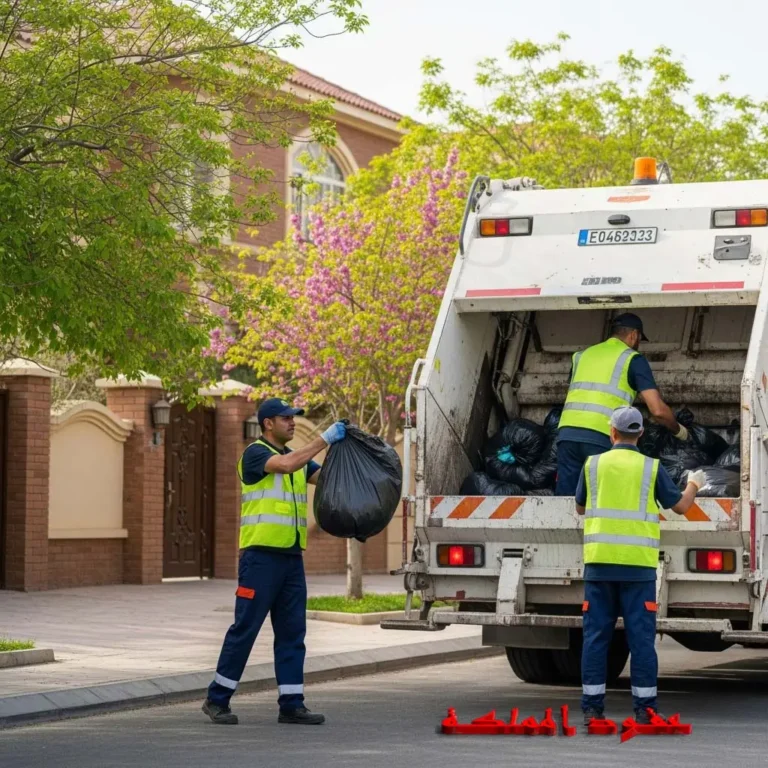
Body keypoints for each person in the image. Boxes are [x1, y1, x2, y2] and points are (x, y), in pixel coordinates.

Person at [202, 397, 347, 726]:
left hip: (291, 559)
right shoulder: (256, 454)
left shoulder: (298, 460)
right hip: (259, 559)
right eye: (286, 418)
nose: (292, 422)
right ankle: (216, 699)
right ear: (268, 423)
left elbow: (327, 479)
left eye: (294, 418)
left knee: (293, 633)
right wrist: (324, 439)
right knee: (246, 629)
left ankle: (292, 704)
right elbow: (286, 465)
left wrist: (345, 450)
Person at [575, 405, 705, 726]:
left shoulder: (593, 465)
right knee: (641, 641)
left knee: (595, 639)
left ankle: (592, 709)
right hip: (638, 569)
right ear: (641, 433)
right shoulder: (651, 467)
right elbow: (680, 507)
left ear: (612, 432)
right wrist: (694, 483)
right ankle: (645, 711)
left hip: (599, 567)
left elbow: (580, 508)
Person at [555, 312, 688, 496]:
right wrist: (679, 431)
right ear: (634, 335)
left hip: (567, 435)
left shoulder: (581, 355)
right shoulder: (632, 359)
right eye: (639, 339)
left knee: (566, 499)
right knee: (604, 497)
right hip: (603, 435)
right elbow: (657, 410)